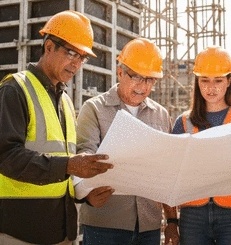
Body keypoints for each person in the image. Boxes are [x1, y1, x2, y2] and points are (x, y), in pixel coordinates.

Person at [0, 10, 113, 245]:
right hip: (16, 232)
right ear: (48, 47)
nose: (76, 63)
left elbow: (59, 169)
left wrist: (84, 196)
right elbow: (7, 158)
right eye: (71, 53)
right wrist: (69, 164)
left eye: (82, 57)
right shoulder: (13, 90)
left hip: (58, 233)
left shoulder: (64, 100)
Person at [74, 37, 180, 245]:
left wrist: (172, 220)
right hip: (104, 225)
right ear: (120, 72)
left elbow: (166, 172)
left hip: (148, 227)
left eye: (150, 79)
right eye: (137, 77)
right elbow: (84, 158)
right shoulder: (94, 109)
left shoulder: (160, 115)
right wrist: (87, 195)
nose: (143, 86)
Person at [172, 45, 231, 245]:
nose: (211, 87)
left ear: (228, 81)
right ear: (197, 83)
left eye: (218, 80)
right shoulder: (182, 123)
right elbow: (172, 172)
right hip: (193, 216)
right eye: (205, 80)